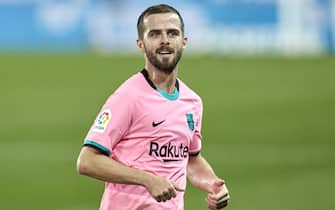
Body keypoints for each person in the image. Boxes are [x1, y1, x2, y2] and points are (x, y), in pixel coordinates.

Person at [76, 4, 230, 210]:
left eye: (172, 33)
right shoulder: (128, 97)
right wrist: (148, 180)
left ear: (184, 42)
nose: (165, 39)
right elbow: (87, 161)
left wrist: (212, 183)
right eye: (155, 34)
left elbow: (191, 159)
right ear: (141, 43)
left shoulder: (192, 101)